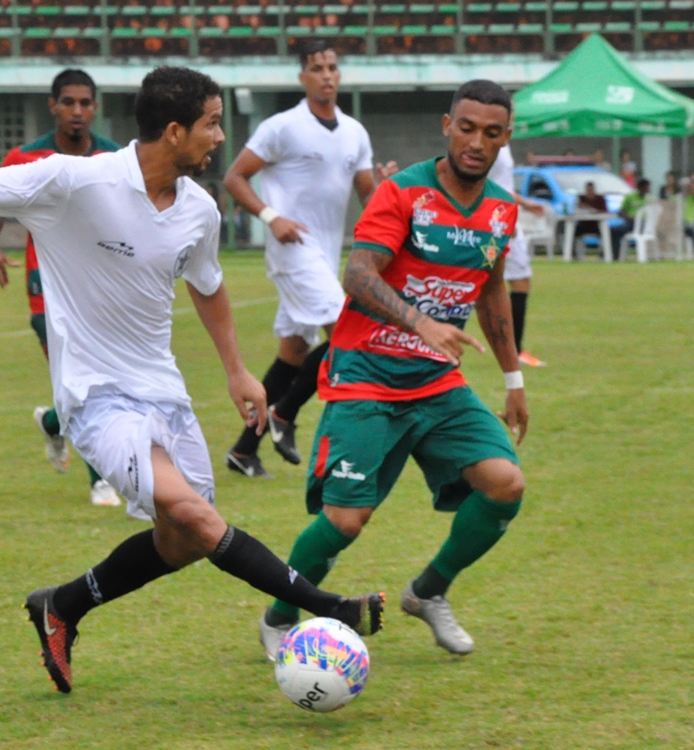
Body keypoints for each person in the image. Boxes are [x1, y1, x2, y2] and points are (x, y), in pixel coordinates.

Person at [0, 65, 385, 696]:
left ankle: (62, 605)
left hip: (164, 393)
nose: (219, 138)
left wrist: (237, 372)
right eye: (210, 124)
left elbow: (208, 286)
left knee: (181, 541)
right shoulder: (77, 179)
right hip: (94, 396)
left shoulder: (198, 210)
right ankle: (330, 608)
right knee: (194, 515)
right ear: (174, 131)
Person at [257, 79, 528, 661]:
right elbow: (357, 274)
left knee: (506, 485)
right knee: (346, 520)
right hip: (366, 377)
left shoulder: (501, 210)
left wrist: (513, 379)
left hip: (436, 383)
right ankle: (279, 613)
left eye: (492, 132)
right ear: (446, 125)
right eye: (467, 127)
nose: (477, 141)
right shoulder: (403, 193)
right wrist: (420, 322)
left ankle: (428, 592)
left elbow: (493, 290)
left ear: (507, 137)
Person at [223, 39, 397, 478]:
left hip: (325, 253)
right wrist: (270, 216)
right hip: (292, 249)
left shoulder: (355, 132)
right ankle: (285, 414)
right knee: (349, 331)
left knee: (294, 354)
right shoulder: (282, 126)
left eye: (333, 67)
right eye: (317, 68)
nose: (327, 75)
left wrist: (383, 188)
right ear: (303, 76)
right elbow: (235, 177)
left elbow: (367, 197)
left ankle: (245, 450)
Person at [0, 68, 127, 510]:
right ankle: (101, 481)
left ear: (95, 108)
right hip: (45, 286)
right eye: (69, 102)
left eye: (85, 103)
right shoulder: (24, 157)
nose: (77, 111)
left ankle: (54, 424)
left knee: (94, 383)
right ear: (53, 106)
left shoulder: (112, 158)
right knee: (81, 382)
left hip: (98, 285)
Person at [487, 143, 547, 368]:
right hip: (499, 218)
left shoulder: (503, 144)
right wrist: (512, 212)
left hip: (503, 215)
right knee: (516, 283)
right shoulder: (493, 146)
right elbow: (491, 185)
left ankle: (514, 348)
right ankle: (515, 350)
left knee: (513, 282)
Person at [611, 177, 651, 260]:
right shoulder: (630, 197)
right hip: (631, 223)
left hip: (645, 224)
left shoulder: (650, 199)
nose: (648, 190)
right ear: (640, 188)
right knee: (614, 230)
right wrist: (628, 217)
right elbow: (621, 211)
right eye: (646, 188)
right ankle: (616, 255)